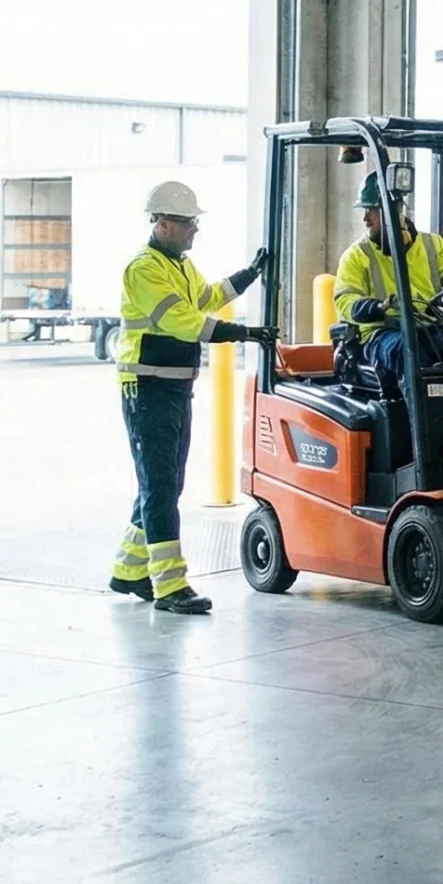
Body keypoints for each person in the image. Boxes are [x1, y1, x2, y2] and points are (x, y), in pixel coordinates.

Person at [109, 180, 273, 614]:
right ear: (162, 223)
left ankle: (129, 570)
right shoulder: (143, 268)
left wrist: (250, 274)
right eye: (187, 222)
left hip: (174, 387)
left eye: (194, 222)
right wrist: (243, 334)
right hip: (147, 389)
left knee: (163, 483)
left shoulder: (179, 265)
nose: (193, 230)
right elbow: (184, 322)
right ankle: (170, 587)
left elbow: (209, 297)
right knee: (161, 486)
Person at [334, 172, 443, 380]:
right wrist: (377, 307)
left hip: (429, 327)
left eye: (371, 210)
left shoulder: (433, 245)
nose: (365, 218)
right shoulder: (356, 256)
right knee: (407, 350)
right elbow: (345, 302)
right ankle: (420, 412)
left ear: (395, 211)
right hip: (383, 334)